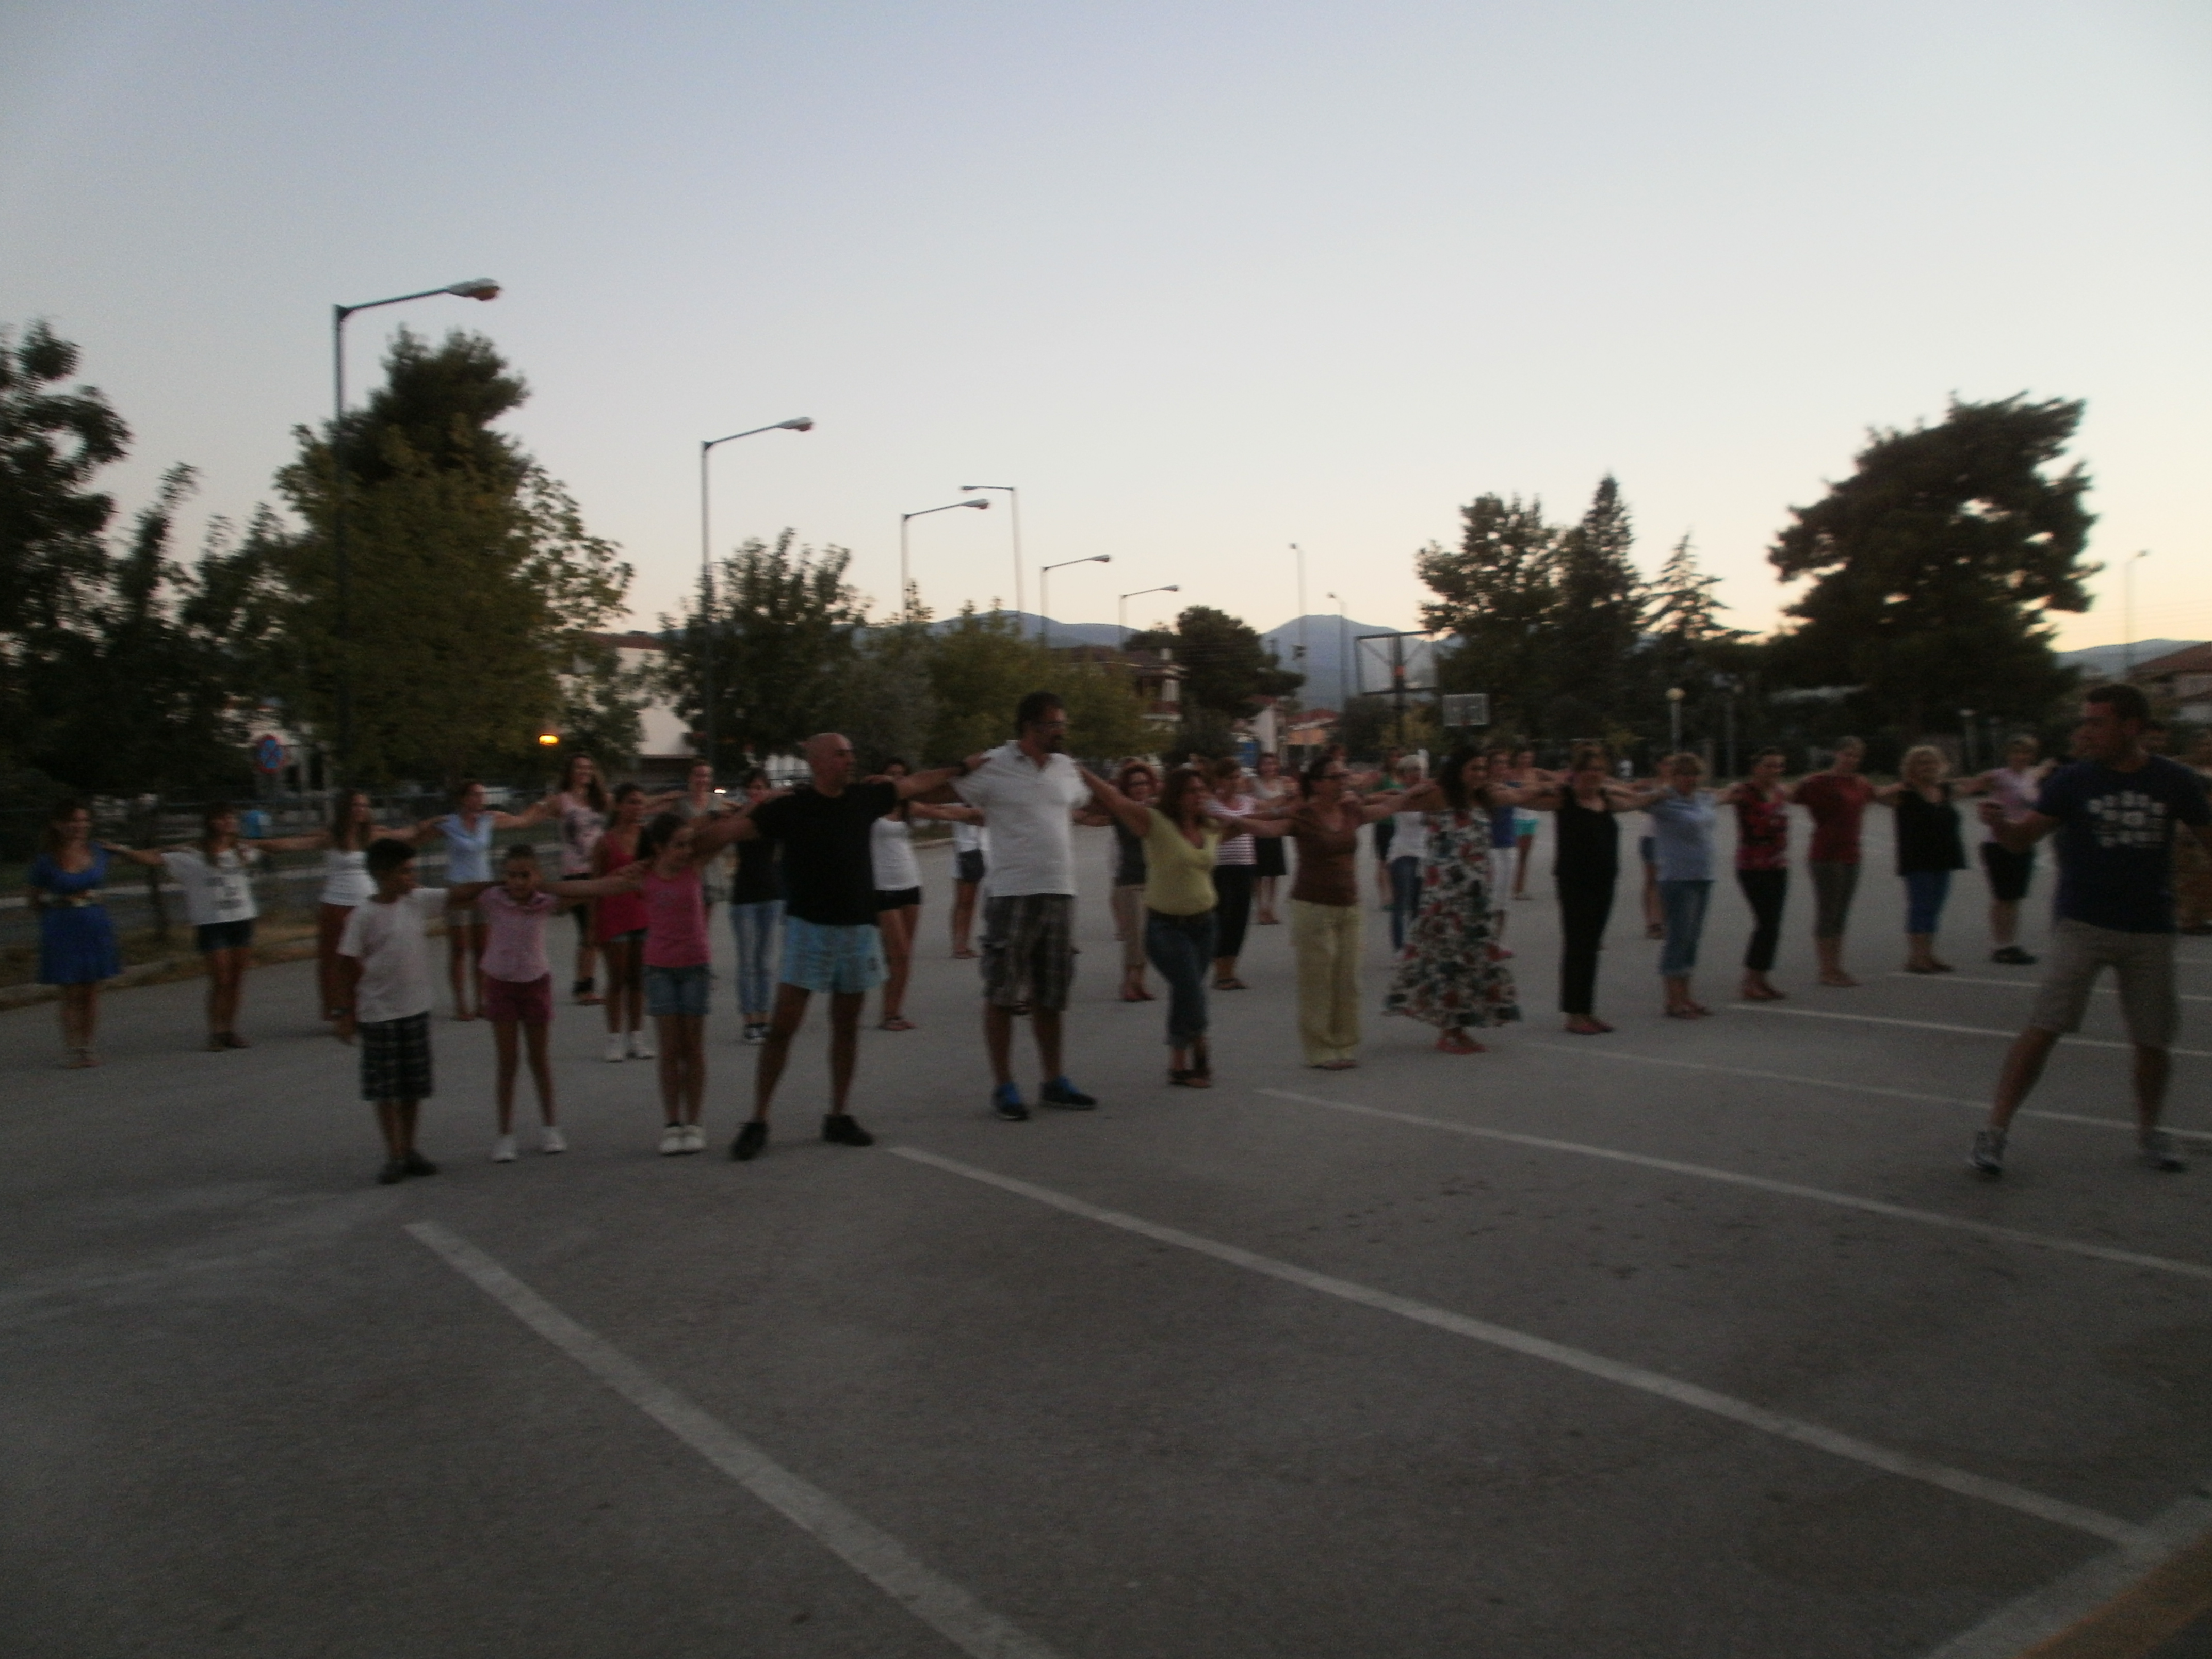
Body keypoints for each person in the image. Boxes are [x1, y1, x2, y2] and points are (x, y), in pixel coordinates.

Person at [1971, 686, 2212, 1176]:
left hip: (2150, 928)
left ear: (2131, 727)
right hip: (2082, 924)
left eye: (2097, 722)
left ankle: (2151, 1131)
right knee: (2045, 1026)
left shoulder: (2175, 781)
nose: (2085, 732)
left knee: (2153, 1039)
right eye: (2084, 722)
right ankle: (1995, 1131)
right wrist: (2000, 826)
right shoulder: (2074, 780)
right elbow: (2022, 839)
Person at [721, 734, 968, 1159]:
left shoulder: (863, 798)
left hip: (857, 929)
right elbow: (732, 831)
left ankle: (838, 1114)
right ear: (817, 761)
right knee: (782, 1028)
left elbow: (917, 784)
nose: (850, 759)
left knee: (846, 1027)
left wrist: (963, 766)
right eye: (840, 754)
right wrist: (683, 850)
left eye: (851, 753)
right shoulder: (791, 807)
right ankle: (758, 1119)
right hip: (808, 930)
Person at [945, 692, 1111, 1121]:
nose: (1061, 732)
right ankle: (1004, 1086)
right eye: (1054, 724)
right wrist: (959, 766)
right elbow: (952, 787)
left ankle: (1054, 1081)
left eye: (1062, 724)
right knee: (1002, 993)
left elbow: (1086, 803)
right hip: (1011, 894)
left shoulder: (1065, 767)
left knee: (1051, 996)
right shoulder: (995, 764)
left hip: (1060, 891)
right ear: (1029, 727)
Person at [1085, 762, 1285, 1085]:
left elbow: (1257, 824)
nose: (1199, 795)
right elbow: (1114, 799)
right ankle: (1201, 1052)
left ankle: (1177, 1063)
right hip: (1166, 928)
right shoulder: (1155, 822)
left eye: (1202, 790)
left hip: (1205, 925)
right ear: (1176, 795)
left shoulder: (1210, 827)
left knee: (1185, 991)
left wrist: (1290, 812)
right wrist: (1079, 771)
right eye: (1192, 791)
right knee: (1192, 989)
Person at [595, 810, 755, 1154]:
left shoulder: (694, 867)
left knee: (693, 1047)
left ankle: (694, 1122)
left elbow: (728, 832)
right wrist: (545, 888)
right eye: (678, 845)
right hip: (660, 970)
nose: (685, 851)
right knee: (669, 1050)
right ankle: (672, 1123)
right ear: (658, 847)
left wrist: (750, 806)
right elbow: (596, 887)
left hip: (695, 966)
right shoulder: (642, 876)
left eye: (688, 844)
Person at [106, 803, 326, 1050]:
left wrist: (318, 839)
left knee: (236, 979)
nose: (228, 822)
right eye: (222, 818)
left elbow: (279, 845)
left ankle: (229, 1029)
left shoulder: (242, 850)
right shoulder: (191, 853)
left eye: (231, 818)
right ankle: (216, 1030)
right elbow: (153, 857)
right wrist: (121, 850)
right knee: (221, 978)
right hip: (212, 923)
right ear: (211, 822)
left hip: (241, 919)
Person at [474, 843, 632, 1161]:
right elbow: (460, 894)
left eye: (525, 875)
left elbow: (588, 890)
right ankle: (505, 1134)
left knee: (539, 1060)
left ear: (537, 876)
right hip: (501, 984)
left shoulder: (545, 902)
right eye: (511, 876)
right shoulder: (493, 899)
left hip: (535, 983)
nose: (518, 882)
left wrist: (621, 880)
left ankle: (550, 1126)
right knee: (507, 1062)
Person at [1381, 746, 1521, 1053]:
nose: (1480, 774)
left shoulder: (1484, 798)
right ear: (1458, 771)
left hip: (1476, 893)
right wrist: (1409, 791)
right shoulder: (1440, 796)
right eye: (1474, 768)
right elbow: (1395, 804)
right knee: (1449, 961)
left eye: (1483, 768)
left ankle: (1461, 1026)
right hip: (1446, 896)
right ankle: (1448, 1030)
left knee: (1471, 960)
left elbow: (1525, 795)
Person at [334, 840, 449, 1185]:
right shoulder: (363, 915)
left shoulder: (416, 901)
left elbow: (460, 895)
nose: (412, 878)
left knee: (413, 1085)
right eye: (405, 872)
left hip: (414, 1007)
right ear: (383, 875)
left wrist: (499, 886)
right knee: (386, 1088)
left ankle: (410, 1148)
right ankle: (394, 1153)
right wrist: (345, 1012)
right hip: (379, 1013)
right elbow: (345, 964)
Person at [1515, 744, 1643, 1034]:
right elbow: (1526, 798)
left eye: (1599, 769)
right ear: (1577, 772)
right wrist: (1548, 784)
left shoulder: (1606, 800)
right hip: (1575, 882)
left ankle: (1587, 1009)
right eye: (1588, 769)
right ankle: (1574, 1013)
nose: (1593, 774)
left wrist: (1661, 792)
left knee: (1592, 945)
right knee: (1577, 945)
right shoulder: (1565, 799)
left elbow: (1637, 800)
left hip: (1604, 880)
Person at [1284, 754, 1402, 1068]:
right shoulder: (1303, 815)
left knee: (1349, 981)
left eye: (1344, 776)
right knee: (1318, 981)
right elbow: (1268, 824)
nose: (1342, 781)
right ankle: (1320, 1050)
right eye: (1335, 777)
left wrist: (1413, 794)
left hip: (1349, 906)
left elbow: (1387, 807)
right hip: (1312, 906)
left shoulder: (1351, 810)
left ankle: (1345, 1044)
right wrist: (1232, 821)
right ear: (1317, 784)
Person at [424, 780, 549, 1021]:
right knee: (459, 948)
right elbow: (418, 834)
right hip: (458, 888)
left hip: (483, 889)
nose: (480, 800)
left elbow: (522, 821)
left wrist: (544, 804)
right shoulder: (449, 823)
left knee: (482, 948)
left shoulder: (487, 820)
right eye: (475, 795)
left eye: (482, 795)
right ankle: (461, 1003)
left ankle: (482, 1000)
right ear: (463, 798)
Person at [317, 790, 431, 1030]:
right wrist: (257, 845)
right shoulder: (332, 837)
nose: (360, 810)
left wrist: (436, 823)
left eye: (364, 806)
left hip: (363, 904)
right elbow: (291, 844)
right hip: (336, 904)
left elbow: (407, 835)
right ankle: (338, 1010)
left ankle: (363, 1008)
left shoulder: (372, 835)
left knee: (367, 961)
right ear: (345, 808)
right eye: (355, 805)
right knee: (335, 961)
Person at [870, 758, 969, 1031]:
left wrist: (978, 815)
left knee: (904, 955)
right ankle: (889, 1014)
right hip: (882, 888)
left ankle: (894, 1012)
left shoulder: (907, 807)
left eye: (902, 775)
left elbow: (944, 812)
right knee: (898, 953)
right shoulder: (868, 808)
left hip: (910, 883)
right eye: (891, 774)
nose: (897, 780)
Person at [29, 799, 121, 1068]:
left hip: (95, 924)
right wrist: (60, 903)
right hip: (63, 927)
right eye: (73, 821)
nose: (79, 826)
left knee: (91, 990)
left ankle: (87, 1046)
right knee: (71, 990)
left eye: (83, 820)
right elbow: (34, 901)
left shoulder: (99, 851)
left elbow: (139, 856)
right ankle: (72, 1048)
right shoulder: (46, 860)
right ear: (58, 825)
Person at [1876, 746, 1984, 974]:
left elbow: (1974, 786)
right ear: (1912, 767)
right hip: (1918, 859)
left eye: (1932, 762)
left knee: (1935, 907)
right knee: (1921, 907)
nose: (1928, 766)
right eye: (1922, 763)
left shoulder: (1945, 790)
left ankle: (1928, 954)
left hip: (1944, 857)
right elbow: (1878, 796)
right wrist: (1903, 784)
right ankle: (1917, 957)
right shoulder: (1904, 794)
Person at [1792, 738, 1873, 986]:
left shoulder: (1861, 784)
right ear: (1837, 754)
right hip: (1826, 854)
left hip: (1851, 853)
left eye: (1856, 756)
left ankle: (1837, 967)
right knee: (1828, 911)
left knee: (1841, 913)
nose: (1851, 760)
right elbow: (1790, 794)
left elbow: (1882, 796)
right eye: (1847, 754)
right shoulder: (1819, 782)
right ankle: (1826, 969)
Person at [1642, 754, 1717, 1018]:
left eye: (1694, 774)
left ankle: (1686, 995)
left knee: (1692, 939)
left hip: (1702, 876)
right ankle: (1673, 1000)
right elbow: (1632, 800)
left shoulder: (1703, 798)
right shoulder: (1664, 801)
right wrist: (1655, 794)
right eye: (1684, 774)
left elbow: (1725, 796)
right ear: (1674, 776)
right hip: (1677, 879)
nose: (1690, 779)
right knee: (1679, 938)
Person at [1722, 748, 1791, 1001]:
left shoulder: (1781, 792)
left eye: (1779, 766)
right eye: (1769, 765)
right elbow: (1717, 797)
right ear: (1756, 768)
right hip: (1752, 867)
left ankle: (1762, 977)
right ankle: (1750, 980)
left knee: (1774, 925)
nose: (1775, 770)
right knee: (1766, 923)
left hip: (1778, 865)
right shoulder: (1744, 792)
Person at [591, 784, 653, 1061]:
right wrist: (592, 927)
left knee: (638, 979)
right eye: (631, 802)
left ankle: (636, 1036)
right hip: (614, 916)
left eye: (641, 802)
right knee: (617, 979)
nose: (637, 808)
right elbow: (595, 886)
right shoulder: (605, 843)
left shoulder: (647, 837)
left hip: (643, 913)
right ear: (618, 805)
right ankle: (614, 1037)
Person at [1979, 736, 2050, 964]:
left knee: (2015, 897)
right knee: (2003, 896)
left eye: (2026, 753)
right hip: (1998, 842)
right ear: (2008, 755)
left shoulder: (2034, 777)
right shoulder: (1999, 776)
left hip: (2023, 840)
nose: (2021, 757)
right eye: (2016, 752)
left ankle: (2010, 942)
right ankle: (2002, 945)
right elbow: (1970, 786)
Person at [728, 769, 785, 1043]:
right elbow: (731, 829)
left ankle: (764, 1017)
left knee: (765, 962)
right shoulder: (740, 815)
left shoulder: (773, 818)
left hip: (771, 893)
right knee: (747, 962)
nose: (756, 792)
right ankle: (749, 1021)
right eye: (752, 787)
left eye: (761, 787)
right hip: (744, 896)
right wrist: (756, 802)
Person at [550, 753, 610, 1004]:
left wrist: (668, 798)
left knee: (594, 930)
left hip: (599, 870)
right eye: (579, 768)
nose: (585, 772)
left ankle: (585, 983)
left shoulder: (598, 800)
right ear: (570, 772)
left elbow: (639, 804)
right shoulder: (561, 801)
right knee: (588, 929)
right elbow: (531, 816)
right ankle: (584, 987)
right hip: (575, 872)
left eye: (589, 768)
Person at [1107, 762, 1159, 1001]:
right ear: (1126, 788)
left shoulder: (1158, 809)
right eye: (1135, 784)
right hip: (1130, 880)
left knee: (1149, 936)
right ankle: (1129, 982)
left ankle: (1140, 982)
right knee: (1135, 935)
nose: (1141, 787)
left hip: (1156, 880)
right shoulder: (1122, 811)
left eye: (1145, 783)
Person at [1207, 756, 1260, 990]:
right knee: (1221, 917)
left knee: (1240, 919)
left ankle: (1230, 970)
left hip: (1245, 866)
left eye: (1237, 777)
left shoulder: (1248, 803)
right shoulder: (1210, 805)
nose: (1235, 782)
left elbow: (1270, 810)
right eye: (1229, 778)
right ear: (1219, 780)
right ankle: (1221, 972)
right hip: (1220, 867)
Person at [671, 761, 733, 930]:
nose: (702, 780)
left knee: (703, 925)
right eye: (698, 775)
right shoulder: (680, 802)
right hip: (688, 865)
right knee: (686, 921)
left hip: (711, 868)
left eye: (706, 776)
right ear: (690, 777)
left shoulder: (718, 801)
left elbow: (739, 810)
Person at [1385, 755, 1428, 952]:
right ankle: (1399, 950)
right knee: (1401, 904)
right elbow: (1417, 819)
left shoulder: (1428, 796)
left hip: (1423, 854)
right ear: (1403, 776)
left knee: (1418, 905)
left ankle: (1415, 947)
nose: (1417, 775)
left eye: (1419, 770)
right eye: (1412, 771)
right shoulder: (1400, 795)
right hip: (1402, 854)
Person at [1250, 751, 1292, 924]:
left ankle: (1271, 908)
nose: (1270, 767)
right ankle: (1261, 909)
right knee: (1259, 874)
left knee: (1274, 873)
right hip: (1259, 830)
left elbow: (1289, 803)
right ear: (1259, 766)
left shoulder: (1282, 783)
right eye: (1266, 763)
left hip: (1276, 830)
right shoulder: (1253, 783)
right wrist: (1275, 803)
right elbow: (1256, 805)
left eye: (1273, 763)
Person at [2181, 732, 2212, 936]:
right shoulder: (2186, 771)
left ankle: (2201, 916)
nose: (2208, 748)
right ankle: (2188, 918)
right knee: (2191, 875)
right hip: (2191, 830)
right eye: (2204, 744)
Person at [949, 813, 990, 959]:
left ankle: (965, 943)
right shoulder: (959, 800)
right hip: (967, 848)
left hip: (988, 846)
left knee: (992, 898)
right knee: (965, 899)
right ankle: (960, 945)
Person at [1509, 746, 1543, 899]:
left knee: (1524, 856)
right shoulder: (1510, 774)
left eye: (1529, 757)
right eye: (1523, 757)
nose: (1526, 761)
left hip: (1531, 818)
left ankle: (1519, 889)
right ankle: (1503, 885)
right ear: (1517, 758)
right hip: (1514, 818)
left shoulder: (1535, 773)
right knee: (1509, 855)